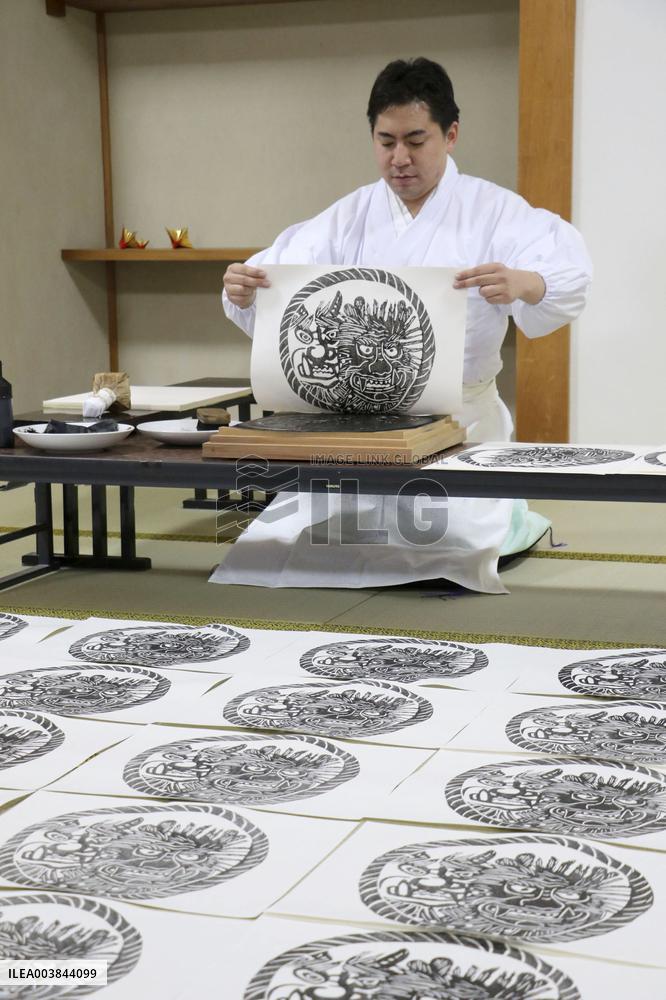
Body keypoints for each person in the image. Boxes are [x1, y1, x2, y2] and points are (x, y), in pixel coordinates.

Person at [211, 57, 592, 591]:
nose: (399, 159)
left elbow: (565, 274)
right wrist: (243, 290)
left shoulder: (494, 211)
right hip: (357, 425)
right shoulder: (350, 215)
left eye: (416, 140)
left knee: (451, 553)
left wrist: (526, 283)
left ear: (451, 134)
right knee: (285, 552)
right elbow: (273, 279)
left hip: (461, 422)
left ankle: (506, 517)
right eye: (386, 141)